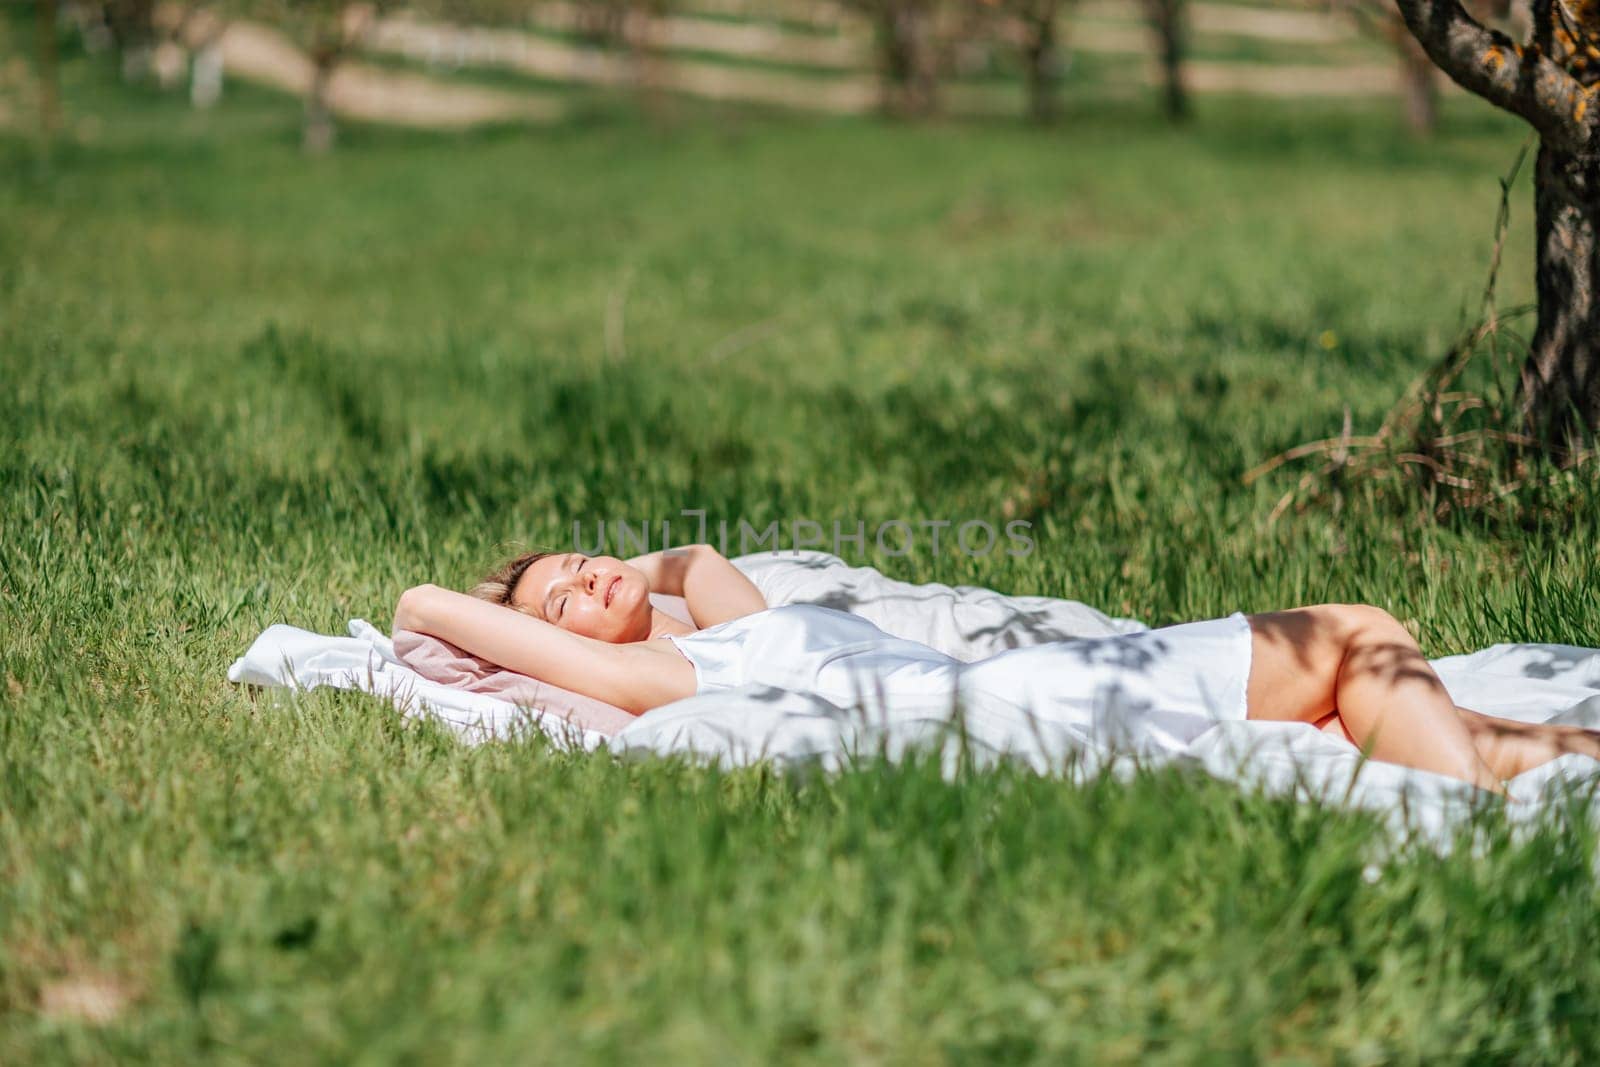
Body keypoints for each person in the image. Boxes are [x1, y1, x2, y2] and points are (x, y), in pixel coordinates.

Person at [393, 544, 1600, 794]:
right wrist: (518, 603)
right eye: (559, 601)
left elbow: (697, 556)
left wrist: (634, 567)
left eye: (590, 559)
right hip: (1019, 705)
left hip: (1049, 680)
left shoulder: (718, 622)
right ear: (555, 643)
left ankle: (1521, 768)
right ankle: (1475, 826)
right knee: (1349, 632)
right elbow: (415, 604)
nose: (589, 581)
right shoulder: (663, 683)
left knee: (1382, 708)